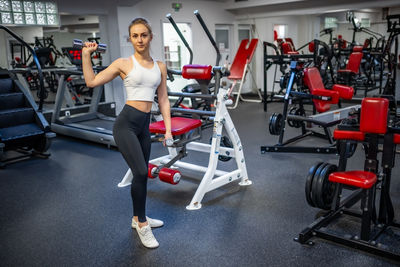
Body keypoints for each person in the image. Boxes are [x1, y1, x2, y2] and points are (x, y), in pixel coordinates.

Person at [81, 18, 171, 249]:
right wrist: (85, 55)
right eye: (135, 36)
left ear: (151, 36)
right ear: (130, 39)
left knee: (142, 175)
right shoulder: (123, 63)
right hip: (126, 125)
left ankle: (137, 217)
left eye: (143, 35)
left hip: (144, 126)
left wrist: (168, 129)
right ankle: (142, 224)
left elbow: (162, 99)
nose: (139, 39)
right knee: (140, 172)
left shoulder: (159, 66)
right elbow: (91, 82)